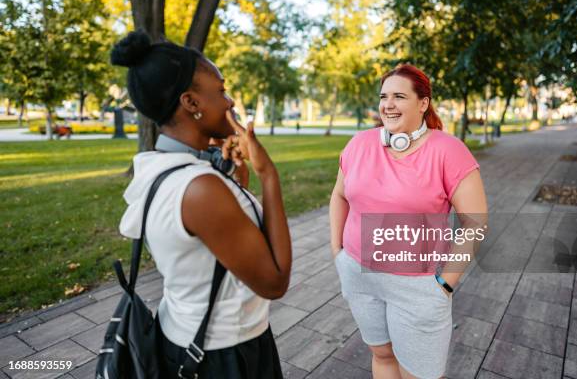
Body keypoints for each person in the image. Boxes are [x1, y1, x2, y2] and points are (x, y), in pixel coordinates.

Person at [111, 31, 291, 378]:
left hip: (187, 334)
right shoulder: (199, 188)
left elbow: (214, 248)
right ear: (191, 103)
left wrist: (239, 178)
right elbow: (275, 282)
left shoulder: (161, 168)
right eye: (221, 91)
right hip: (222, 354)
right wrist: (269, 175)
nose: (230, 103)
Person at [330, 64, 487, 379]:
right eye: (384, 96)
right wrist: (339, 254)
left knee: (421, 374)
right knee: (382, 354)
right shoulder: (359, 145)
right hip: (359, 277)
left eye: (399, 96)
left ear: (423, 103)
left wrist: (445, 284)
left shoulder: (449, 151)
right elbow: (339, 196)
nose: (388, 104)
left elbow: (475, 223)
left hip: (418, 286)